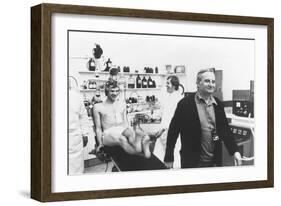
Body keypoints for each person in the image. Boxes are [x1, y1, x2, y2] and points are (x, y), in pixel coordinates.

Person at [164, 68, 242, 168]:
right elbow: (173, 132)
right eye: (207, 81)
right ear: (198, 83)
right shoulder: (185, 104)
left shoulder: (218, 104)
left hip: (214, 162)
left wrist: (235, 151)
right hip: (192, 162)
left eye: (213, 82)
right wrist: (169, 157)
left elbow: (225, 130)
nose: (211, 84)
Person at [93, 80, 152, 158]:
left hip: (121, 129)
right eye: (112, 91)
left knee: (130, 132)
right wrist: (100, 144)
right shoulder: (98, 107)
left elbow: (125, 123)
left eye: (117, 91)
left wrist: (132, 131)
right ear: (107, 91)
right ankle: (140, 152)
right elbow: (98, 128)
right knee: (122, 139)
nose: (115, 93)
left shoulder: (122, 104)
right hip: (107, 133)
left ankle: (140, 144)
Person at [153, 76, 183, 167]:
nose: (166, 85)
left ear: (174, 85)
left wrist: (163, 128)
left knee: (173, 154)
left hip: (172, 132)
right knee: (160, 154)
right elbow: (163, 111)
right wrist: (155, 115)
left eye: (168, 83)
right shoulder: (168, 96)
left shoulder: (179, 98)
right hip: (164, 130)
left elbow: (174, 118)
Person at [68, 89, 91, 174]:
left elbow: (83, 116)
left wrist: (85, 134)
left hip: (74, 136)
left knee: (76, 169)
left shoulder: (76, 96)